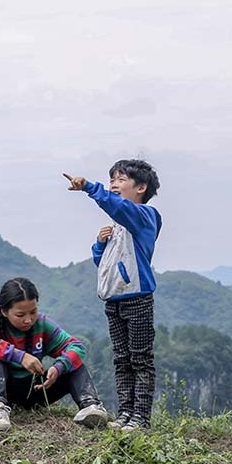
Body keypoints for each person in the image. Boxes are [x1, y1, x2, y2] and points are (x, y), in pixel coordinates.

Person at [64, 159, 161, 431]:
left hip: (138, 299)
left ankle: (140, 418)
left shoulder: (145, 216)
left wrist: (91, 188)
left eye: (120, 180)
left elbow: (118, 206)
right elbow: (105, 264)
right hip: (114, 300)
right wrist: (99, 244)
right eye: (111, 181)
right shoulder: (118, 225)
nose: (114, 185)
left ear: (141, 187)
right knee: (122, 360)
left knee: (140, 359)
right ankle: (125, 414)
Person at [0, 278, 108, 431]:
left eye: (33, 312)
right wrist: (20, 356)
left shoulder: (41, 324)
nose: (28, 320)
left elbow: (76, 347)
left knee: (74, 363)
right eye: (20, 315)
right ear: (4, 311)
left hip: (29, 390)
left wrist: (59, 367)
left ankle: (90, 406)